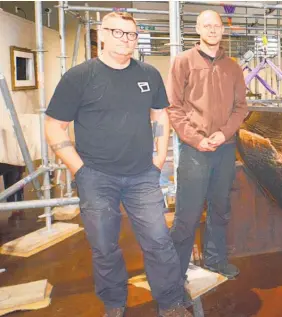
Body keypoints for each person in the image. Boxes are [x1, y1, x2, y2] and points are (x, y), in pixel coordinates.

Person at [45, 12, 191, 317]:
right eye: (119, 32)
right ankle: (114, 303)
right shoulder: (80, 76)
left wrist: (159, 157)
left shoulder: (149, 74)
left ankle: (171, 302)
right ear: (102, 35)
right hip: (96, 178)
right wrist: (79, 170)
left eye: (132, 34)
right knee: (104, 246)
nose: (126, 39)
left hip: (142, 176)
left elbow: (160, 115)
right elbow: (54, 126)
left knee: (158, 241)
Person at [166, 10, 248, 281]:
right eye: (207, 26)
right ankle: (175, 272)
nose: (212, 30)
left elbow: (240, 108)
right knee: (187, 213)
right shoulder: (183, 62)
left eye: (217, 26)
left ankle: (215, 260)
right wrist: (196, 138)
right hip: (194, 150)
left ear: (223, 30)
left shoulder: (233, 67)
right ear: (198, 29)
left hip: (224, 149)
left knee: (220, 208)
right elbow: (174, 108)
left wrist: (224, 135)